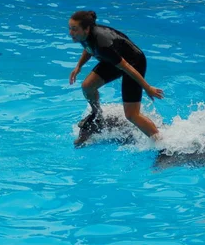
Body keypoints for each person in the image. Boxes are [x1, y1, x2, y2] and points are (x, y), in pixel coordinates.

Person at [68, 10, 164, 146]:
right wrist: (79, 66)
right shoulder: (83, 36)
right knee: (87, 86)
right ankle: (97, 116)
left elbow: (126, 67)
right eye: (70, 28)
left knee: (131, 115)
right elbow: (88, 48)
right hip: (114, 61)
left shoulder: (102, 44)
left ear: (86, 29)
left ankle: (162, 144)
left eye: (74, 29)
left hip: (133, 63)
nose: (70, 33)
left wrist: (147, 87)